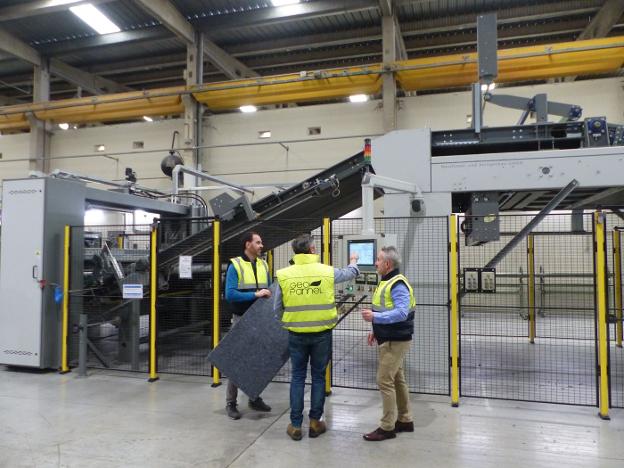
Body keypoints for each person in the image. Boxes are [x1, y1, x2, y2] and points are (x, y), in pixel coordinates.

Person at [274, 233, 359, 441]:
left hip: (296, 334)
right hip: (322, 334)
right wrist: (354, 261)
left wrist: (289, 322)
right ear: (312, 250)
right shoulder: (327, 272)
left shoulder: (284, 275)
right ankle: (314, 422)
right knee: (319, 377)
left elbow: (277, 308)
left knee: (297, 377)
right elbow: (350, 273)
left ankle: (295, 425)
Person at [360, 246, 415, 442]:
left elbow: (401, 313)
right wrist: (374, 330)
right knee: (397, 379)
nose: (375, 263)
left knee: (384, 380)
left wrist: (375, 317)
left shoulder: (397, 284)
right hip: (388, 337)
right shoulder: (386, 282)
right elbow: (384, 309)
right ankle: (405, 420)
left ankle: (387, 427)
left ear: (387, 264)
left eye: (378, 259)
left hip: (395, 340)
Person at [224, 231, 273, 420]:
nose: (261, 245)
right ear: (248, 244)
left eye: (261, 242)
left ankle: (254, 397)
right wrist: (255, 295)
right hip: (241, 318)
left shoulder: (263, 263)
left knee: (257, 361)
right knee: (237, 361)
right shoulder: (235, 265)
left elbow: (268, 289)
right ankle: (231, 402)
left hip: (260, 319)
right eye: (258, 242)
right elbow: (230, 294)